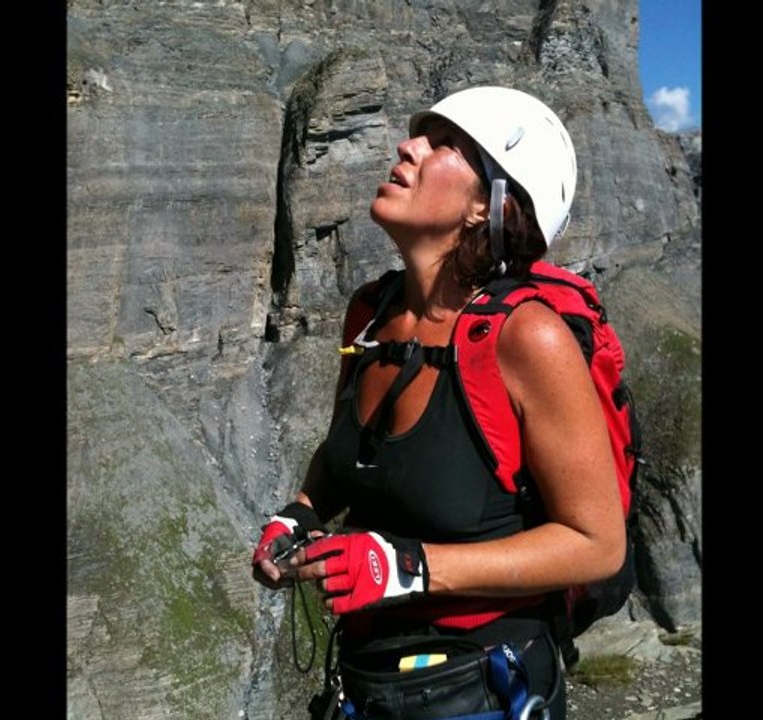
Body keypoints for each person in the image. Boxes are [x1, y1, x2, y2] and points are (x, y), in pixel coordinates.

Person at [252, 86, 626, 720]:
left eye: (443, 143)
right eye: (418, 134)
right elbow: (354, 454)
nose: (407, 145)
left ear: (486, 203)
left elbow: (596, 544)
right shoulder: (372, 315)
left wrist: (407, 568)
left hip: (485, 687)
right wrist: (301, 515)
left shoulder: (526, 338)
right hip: (365, 678)